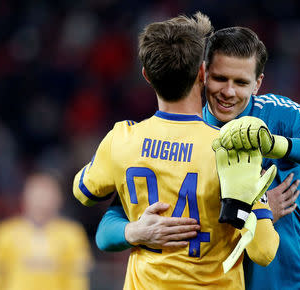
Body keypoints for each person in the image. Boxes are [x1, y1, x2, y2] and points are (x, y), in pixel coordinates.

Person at [96, 26, 300, 289]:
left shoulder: (278, 114)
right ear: (203, 74)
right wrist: (136, 231)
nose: (229, 92)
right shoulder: (179, 129)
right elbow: (108, 228)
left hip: (292, 283)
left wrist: (276, 146)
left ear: (257, 84)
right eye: (220, 78)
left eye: (241, 82)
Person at [72, 13, 279, 289]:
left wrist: (133, 230)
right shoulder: (231, 152)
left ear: (147, 75)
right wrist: (260, 211)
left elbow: (82, 192)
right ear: (203, 73)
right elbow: (263, 252)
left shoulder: (121, 140)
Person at [0, 172, 92, 290]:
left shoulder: (72, 234)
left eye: (47, 195)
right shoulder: (4, 232)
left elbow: (77, 278)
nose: (41, 201)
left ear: (59, 199)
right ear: (24, 197)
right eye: (36, 195)